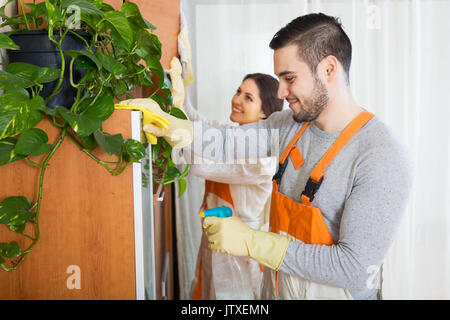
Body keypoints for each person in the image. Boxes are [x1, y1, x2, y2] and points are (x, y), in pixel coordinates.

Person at [192, 13, 414, 300]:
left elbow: (354, 268)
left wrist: (252, 243)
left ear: (329, 69)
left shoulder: (382, 155)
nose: (281, 92)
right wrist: (178, 129)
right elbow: (227, 142)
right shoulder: (289, 126)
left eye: (289, 78)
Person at [182, 73, 284, 299]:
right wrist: (182, 82)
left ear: (265, 112)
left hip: (239, 255)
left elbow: (202, 164)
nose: (236, 99)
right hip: (215, 240)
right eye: (238, 91)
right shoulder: (234, 135)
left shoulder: (261, 158)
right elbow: (199, 123)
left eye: (248, 98)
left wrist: (174, 133)